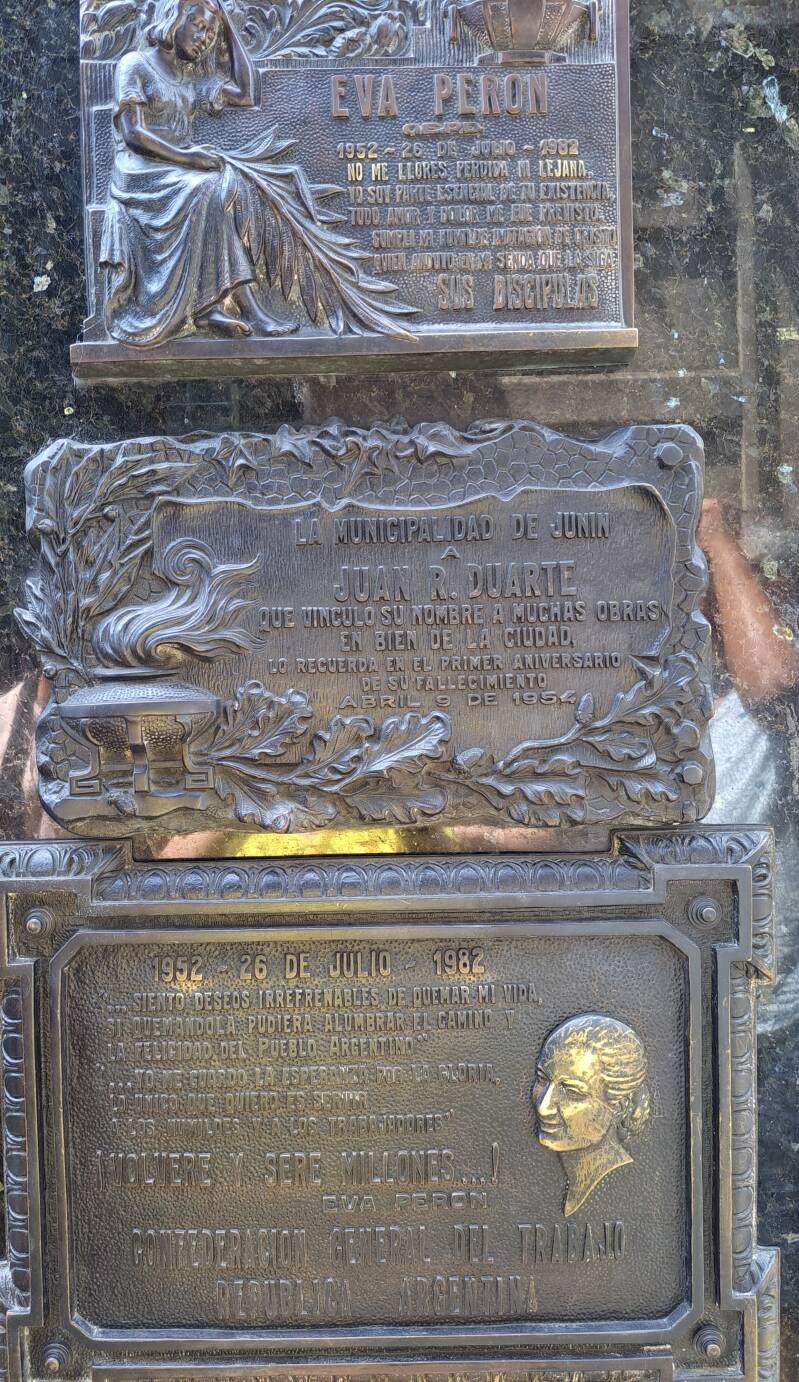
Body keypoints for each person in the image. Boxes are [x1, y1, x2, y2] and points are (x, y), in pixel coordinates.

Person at [100, 0, 297, 342]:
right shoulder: (134, 64)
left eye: (211, 33)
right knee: (205, 188)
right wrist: (187, 157)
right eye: (199, 26)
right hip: (138, 172)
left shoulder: (190, 80)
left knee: (220, 186)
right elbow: (133, 134)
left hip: (178, 172)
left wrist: (229, 27)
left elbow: (246, 93)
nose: (205, 38)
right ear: (174, 19)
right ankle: (239, 309)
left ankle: (214, 307)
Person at [532, 1013, 651, 1216]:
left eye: (572, 1092)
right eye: (542, 1079)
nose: (544, 1107)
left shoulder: (630, 1195)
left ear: (620, 1106)